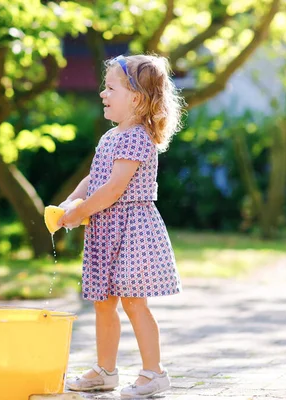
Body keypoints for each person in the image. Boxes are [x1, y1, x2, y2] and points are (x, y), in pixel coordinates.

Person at [57, 54, 184, 398]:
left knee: (133, 301)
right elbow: (94, 177)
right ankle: (106, 370)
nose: (102, 93)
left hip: (131, 229)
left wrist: (80, 213)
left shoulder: (137, 137)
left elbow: (114, 189)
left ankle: (154, 372)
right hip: (105, 227)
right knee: (103, 302)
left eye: (110, 87)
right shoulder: (111, 136)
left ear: (137, 98)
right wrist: (70, 203)